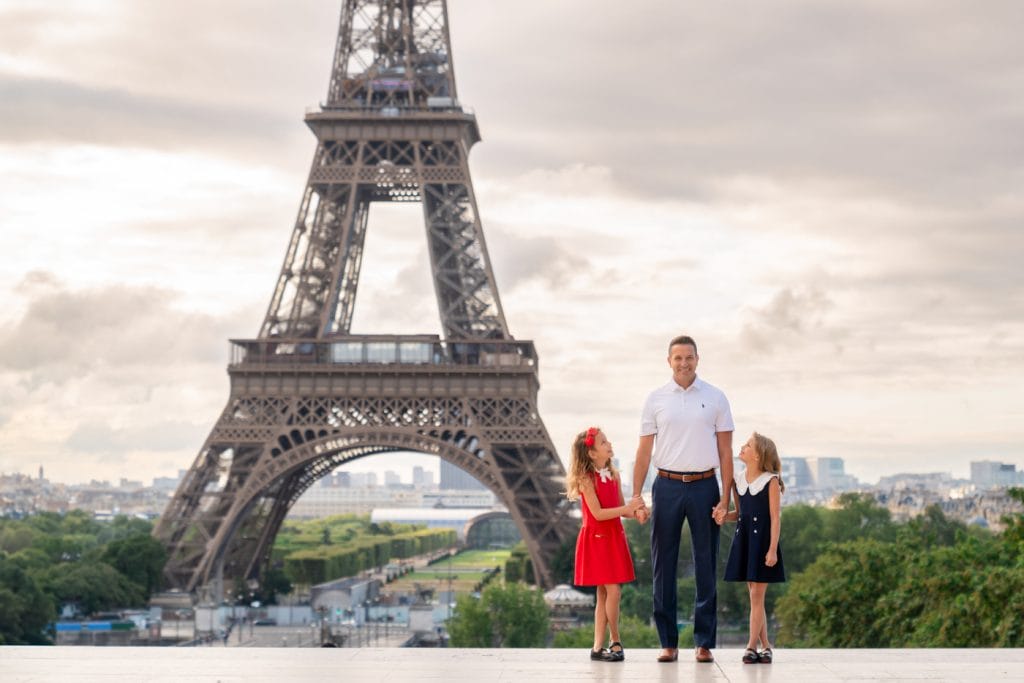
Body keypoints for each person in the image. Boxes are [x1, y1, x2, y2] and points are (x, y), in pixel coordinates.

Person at [631, 334, 734, 663]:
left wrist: (725, 498)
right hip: (667, 485)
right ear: (669, 361)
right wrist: (636, 495)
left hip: (706, 486)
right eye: (678, 358)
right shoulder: (656, 399)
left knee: (707, 563)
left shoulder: (716, 397)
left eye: (689, 357)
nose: (684, 363)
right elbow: (644, 452)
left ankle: (703, 642)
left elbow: (726, 451)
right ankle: (668, 642)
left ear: (697, 359)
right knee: (663, 564)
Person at [567, 427, 641, 662]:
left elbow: (620, 508)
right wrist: (627, 509)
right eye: (603, 442)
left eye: (608, 440)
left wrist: (637, 512)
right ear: (591, 453)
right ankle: (615, 640)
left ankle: (597, 647)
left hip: (613, 536)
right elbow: (598, 514)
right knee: (614, 591)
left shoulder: (614, 475)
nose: (609, 444)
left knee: (603, 593)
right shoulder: (585, 480)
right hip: (598, 539)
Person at [715, 432, 786, 664]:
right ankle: (765, 646)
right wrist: (723, 516)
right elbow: (741, 515)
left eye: (748, 445)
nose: (742, 447)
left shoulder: (771, 481)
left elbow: (775, 518)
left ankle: (750, 646)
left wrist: (773, 549)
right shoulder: (739, 479)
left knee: (757, 595)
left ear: (757, 455)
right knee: (755, 597)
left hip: (763, 543)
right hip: (744, 541)